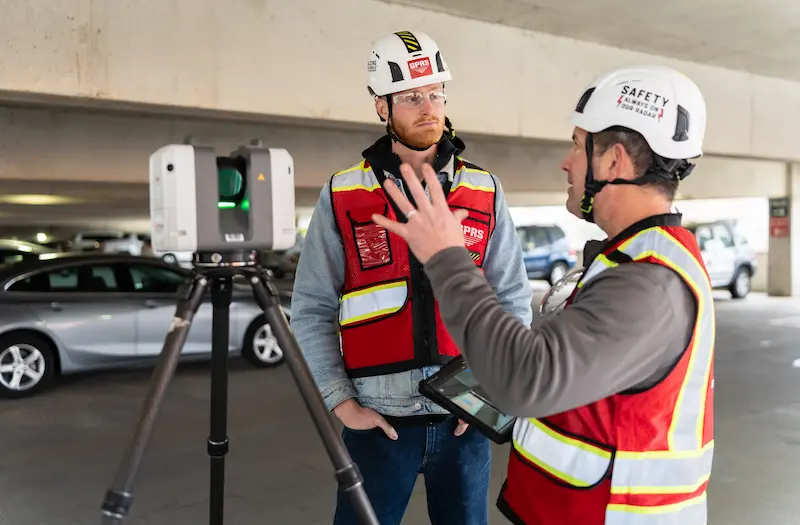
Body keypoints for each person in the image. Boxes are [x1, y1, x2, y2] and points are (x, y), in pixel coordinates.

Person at [371, 65, 715, 525]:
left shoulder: (649, 283)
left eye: (577, 145)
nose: (566, 162)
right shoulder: (632, 260)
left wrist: (447, 256)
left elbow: (526, 378)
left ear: (613, 161)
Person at [289, 29, 533, 525]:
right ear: (382, 107)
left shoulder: (484, 190)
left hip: (466, 418)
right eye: (411, 97)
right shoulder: (343, 194)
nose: (429, 108)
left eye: (436, 94)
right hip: (378, 424)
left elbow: (511, 299)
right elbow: (311, 308)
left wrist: (493, 393)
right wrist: (342, 404)